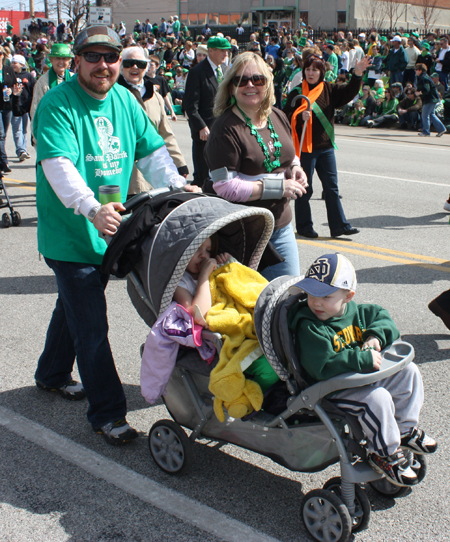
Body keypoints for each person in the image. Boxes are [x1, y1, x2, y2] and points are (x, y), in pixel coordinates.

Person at [33, 25, 198, 446]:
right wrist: (90, 208)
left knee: (73, 308)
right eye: (93, 57)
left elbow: (151, 151)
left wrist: (179, 186)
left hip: (112, 232)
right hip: (71, 232)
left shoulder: (125, 99)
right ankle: (107, 413)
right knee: (91, 323)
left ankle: (51, 374)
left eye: (111, 57)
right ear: (77, 61)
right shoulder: (58, 103)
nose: (103, 66)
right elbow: (58, 166)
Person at [288, 253, 437, 487]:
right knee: (377, 399)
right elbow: (322, 366)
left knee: (410, 373)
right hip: (330, 390)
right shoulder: (310, 325)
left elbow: (383, 319)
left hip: (356, 382)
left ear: (348, 296)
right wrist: (361, 358)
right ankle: (383, 453)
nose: (316, 302)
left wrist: (375, 337)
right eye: (311, 293)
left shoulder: (357, 313)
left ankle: (404, 431)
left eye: (326, 295)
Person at [204, 51, 308, 280]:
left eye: (258, 79)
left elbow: (289, 156)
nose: (250, 85)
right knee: (246, 307)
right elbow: (224, 186)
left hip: (280, 227)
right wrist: (279, 187)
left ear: (268, 83)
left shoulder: (277, 116)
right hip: (241, 234)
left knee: (285, 296)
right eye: (241, 80)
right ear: (231, 87)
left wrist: (296, 168)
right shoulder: (224, 129)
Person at [283, 53, 370, 238]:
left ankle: (339, 226)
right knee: (304, 189)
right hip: (305, 149)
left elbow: (349, 92)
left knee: (332, 188)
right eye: (307, 69)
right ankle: (305, 227)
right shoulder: (297, 92)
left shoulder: (329, 89)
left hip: (326, 147)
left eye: (314, 69)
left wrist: (357, 74)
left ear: (322, 71)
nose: (310, 73)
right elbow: (284, 117)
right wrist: (299, 117)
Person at [118, 46, 189, 195]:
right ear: (120, 65)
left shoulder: (155, 96)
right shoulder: (113, 95)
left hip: (154, 181)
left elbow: (166, 134)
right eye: (129, 63)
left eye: (140, 64)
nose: (135, 67)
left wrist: (179, 163)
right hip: (124, 179)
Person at [183, 36, 231, 187]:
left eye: (227, 51)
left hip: (223, 130)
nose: (226, 54)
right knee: (204, 175)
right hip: (205, 133)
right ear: (211, 51)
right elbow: (190, 105)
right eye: (222, 51)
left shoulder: (225, 69)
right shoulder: (197, 72)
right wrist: (201, 126)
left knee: (222, 173)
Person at [30, 43, 73, 134]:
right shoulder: (43, 82)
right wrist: (37, 136)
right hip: (50, 130)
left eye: (64, 59)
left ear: (69, 61)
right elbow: (35, 110)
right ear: (51, 60)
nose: (61, 62)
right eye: (57, 58)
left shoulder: (75, 80)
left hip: (70, 131)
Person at [10, 54, 35, 161]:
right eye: (12, 62)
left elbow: (34, 90)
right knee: (17, 129)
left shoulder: (29, 76)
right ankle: (20, 150)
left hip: (26, 107)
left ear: (21, 64)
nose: (12, 65)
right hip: (14, 107)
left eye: (14, 63)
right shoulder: (9, 76)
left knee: (25, 129)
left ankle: (23, 150)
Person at [415, 63, 446, 137]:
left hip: (430, 99)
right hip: (433, 99)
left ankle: (426, 132)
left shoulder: (424, 78)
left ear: (420, 70)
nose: (415, 71)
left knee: (425, 115)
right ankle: (441, 129)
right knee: (431, 114)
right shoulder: (424, 77)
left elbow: (426, 89)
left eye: (416, 69)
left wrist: (419, 93)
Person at [0, 45, 18, 173]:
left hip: (7, 105)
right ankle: (4, 161)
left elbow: (14, 85)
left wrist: (13, 91)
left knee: (3, 135)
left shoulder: (8, 70)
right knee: (0, 134)